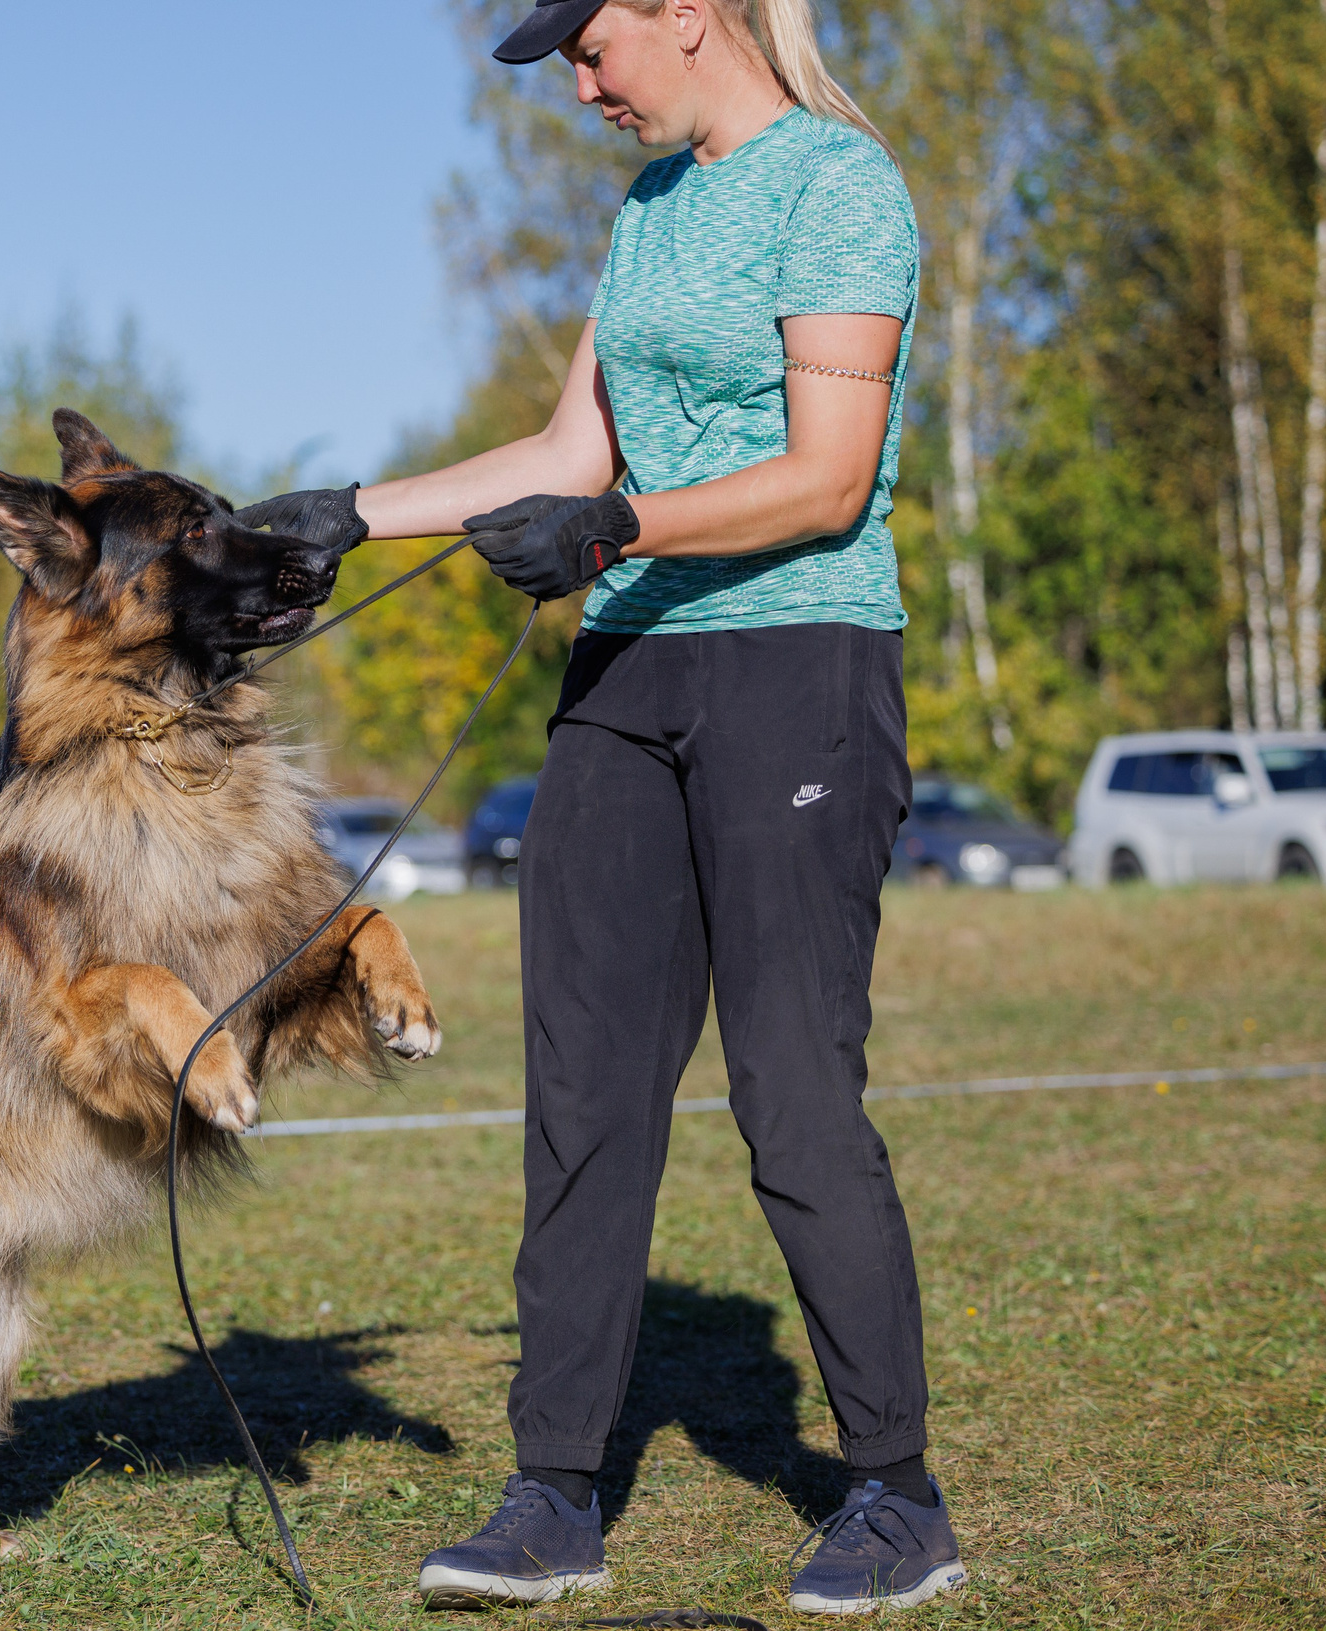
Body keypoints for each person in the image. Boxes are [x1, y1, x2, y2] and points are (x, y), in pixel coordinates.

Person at [239, 0, 964, 1615]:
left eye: (587, 49)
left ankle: (899, 1500)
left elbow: (830, 476)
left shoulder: (837, 187)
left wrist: (622, 525)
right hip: (625, 691)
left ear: (683, 14)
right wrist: (342, 518)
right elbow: (570, 448)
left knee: (792, 1095)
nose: (577, 85)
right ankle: (552, 1495)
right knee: (584, 1101)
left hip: (800, 665)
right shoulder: (647, 215)